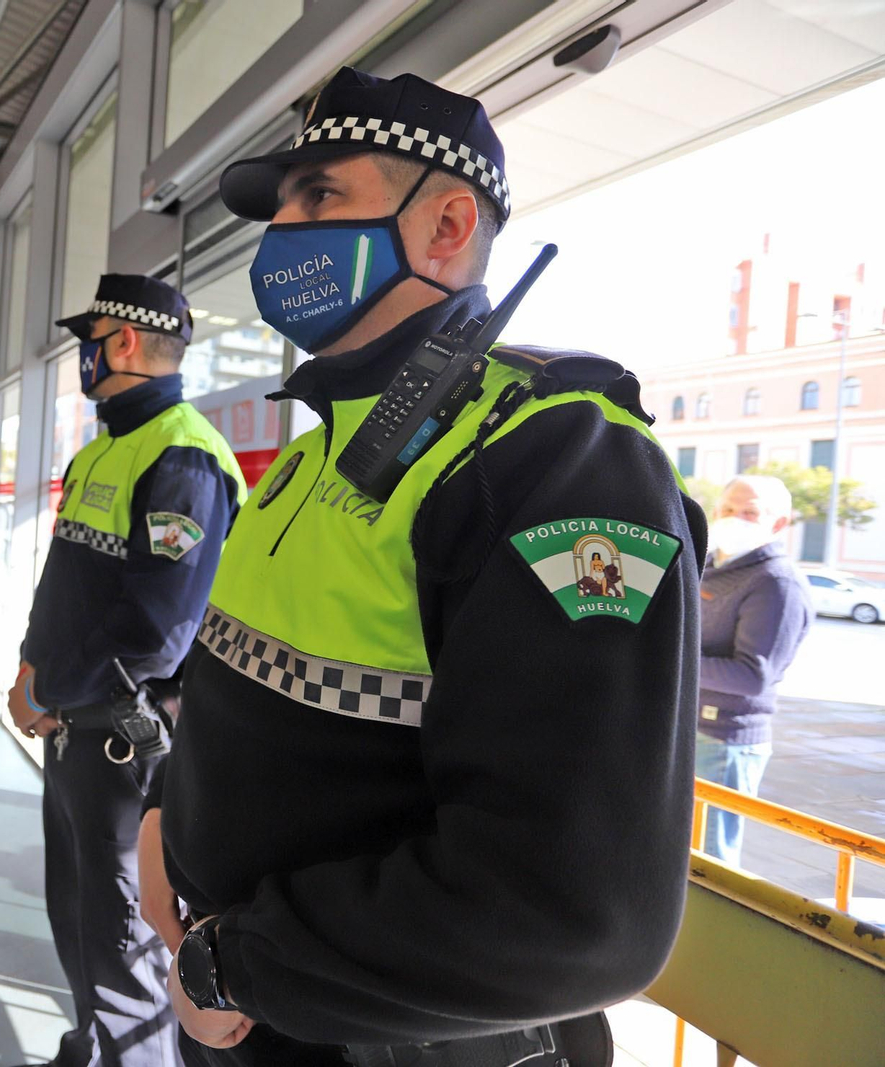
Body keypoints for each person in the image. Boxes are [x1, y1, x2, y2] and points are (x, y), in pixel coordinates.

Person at [143, 68, 707, 1066]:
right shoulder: (320, 445)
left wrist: (232, 964)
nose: (284, 234)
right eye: (281, 206)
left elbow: (569, 910)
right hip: (252, 1018)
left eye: (320, 196)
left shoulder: (553, 462)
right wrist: (165, 818)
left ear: (446, 228)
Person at [7, 273, 246, 1067]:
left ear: (125, 342)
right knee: (76, 915)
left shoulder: (184, 459)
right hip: (73, 731)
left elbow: (158, 632)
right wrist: (32, 672)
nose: (86, 352)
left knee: (124, 940)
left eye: (94, 336)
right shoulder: (101, 451)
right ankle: (92, 1049)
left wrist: (46, 690)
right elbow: (64, 585)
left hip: (127, 747)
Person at [697, 475, 813, 867]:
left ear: (778, 523)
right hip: (688, 729)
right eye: (728, 509)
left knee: (710, 861)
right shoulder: (709, 565)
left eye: (750, 512)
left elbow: (752, 676)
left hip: (723, 741)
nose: (735, 518)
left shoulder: (776, 583)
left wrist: (670, 662)